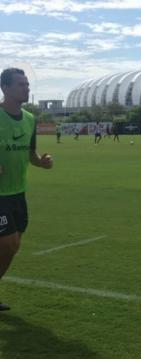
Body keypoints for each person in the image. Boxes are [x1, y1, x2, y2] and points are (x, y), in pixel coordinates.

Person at [0, 68, 53, 311]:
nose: (26, 88)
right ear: (5, 88)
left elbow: (31, 153)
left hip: (18, 193)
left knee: (14, 245)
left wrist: (41, 161)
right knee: (8, 242)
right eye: (21, 84)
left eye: (28, 84)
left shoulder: (30, 119)